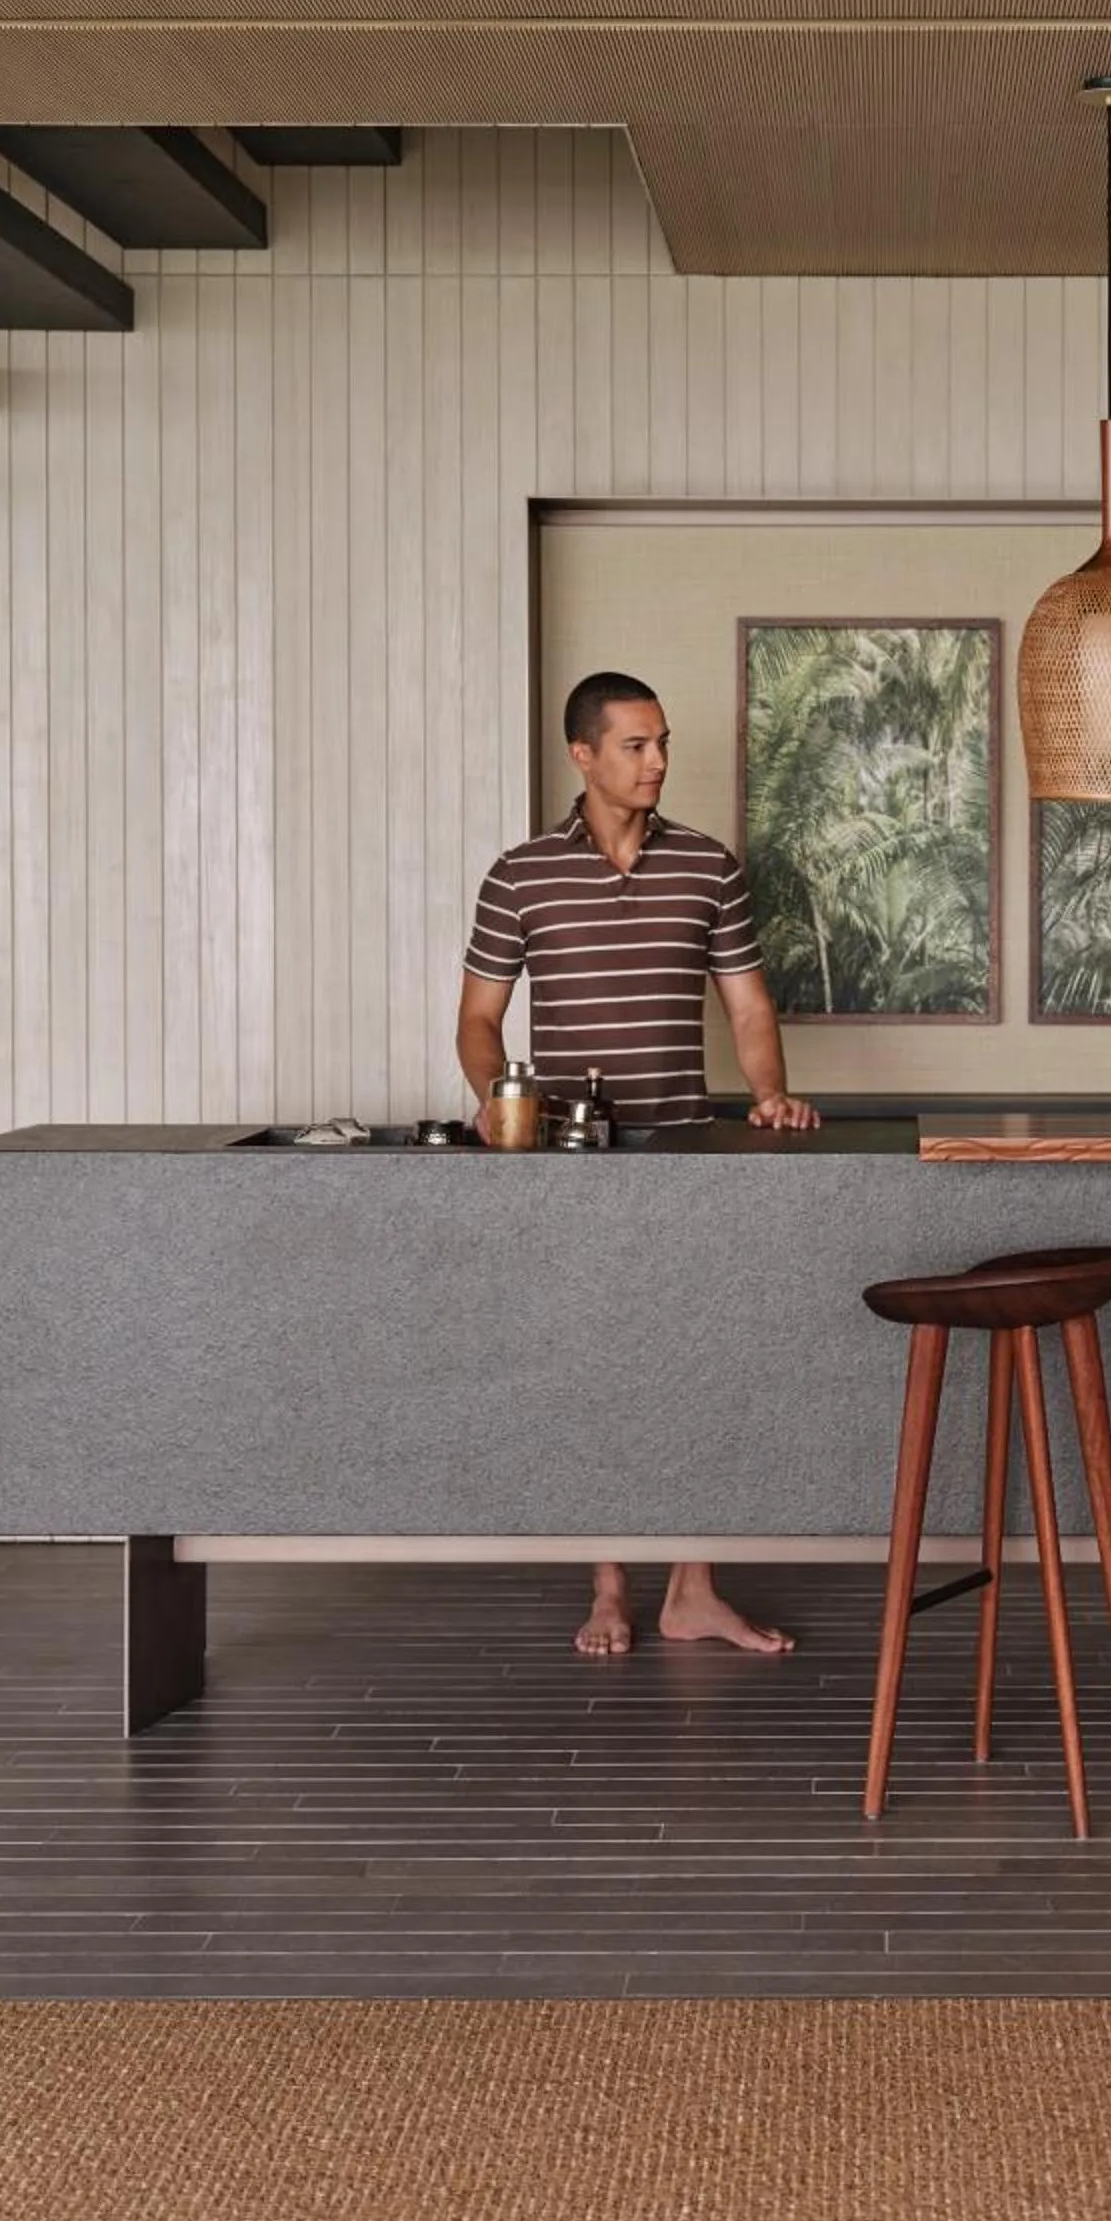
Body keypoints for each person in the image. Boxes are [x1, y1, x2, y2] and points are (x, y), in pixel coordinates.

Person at [456, 671, 820, 1660]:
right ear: (583, 755)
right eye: (635, 746)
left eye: (662, 744)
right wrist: (496, 1099)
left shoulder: (709, 868)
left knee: (701, 1372)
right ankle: (611, 1587)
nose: (657, 762)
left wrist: (770, 1092)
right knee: (597, 1376)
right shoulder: (519, 876)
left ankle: (692, 1590)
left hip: (690, 1158)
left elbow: (747, 1008)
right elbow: (480, 1022)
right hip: (570, 1167)